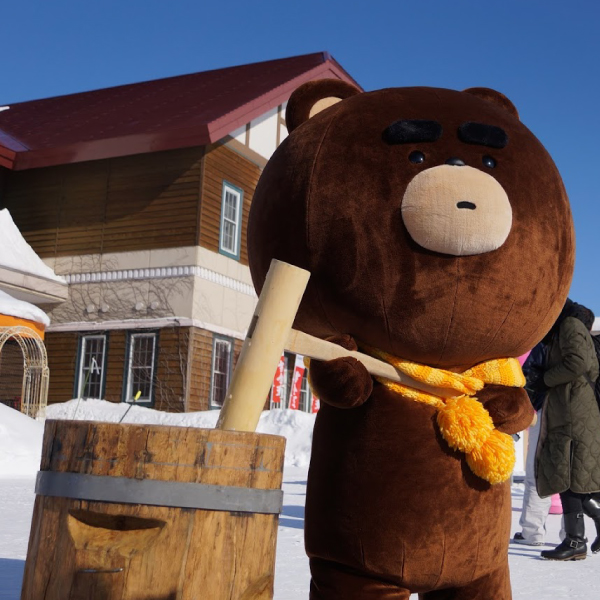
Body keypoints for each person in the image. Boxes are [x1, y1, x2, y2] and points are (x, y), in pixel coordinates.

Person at [535, 299, 600, 560]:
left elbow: (577, 363)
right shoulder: (566, 328)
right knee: (570, 477)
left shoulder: (570, 325)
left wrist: (544, 380)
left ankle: (575, 542)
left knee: (569, 477)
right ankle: (577, 539)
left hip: (574, 412)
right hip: (571, 410)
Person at [512, 341, 553, 546]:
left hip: (547, 410)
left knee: (536, 474)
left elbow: (530, 375)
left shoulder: (545, 343)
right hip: (581, 414)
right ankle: (574, 534)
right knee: (571, 477)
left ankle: (532, 531)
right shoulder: (586, 344)